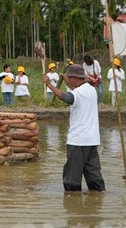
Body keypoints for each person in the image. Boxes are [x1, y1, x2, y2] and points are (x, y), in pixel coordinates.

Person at [43, 64, 106, 193]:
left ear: (75, 78)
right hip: (92, 140)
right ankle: (99, 194)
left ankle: (72, 201)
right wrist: (67, 81)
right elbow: (75, 91)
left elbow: (67, 98)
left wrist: (49, 85)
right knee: (93, 174)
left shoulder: (79, 93)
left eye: (70, 78)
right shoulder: (91, 90)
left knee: (72, 177)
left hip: (78, 141)